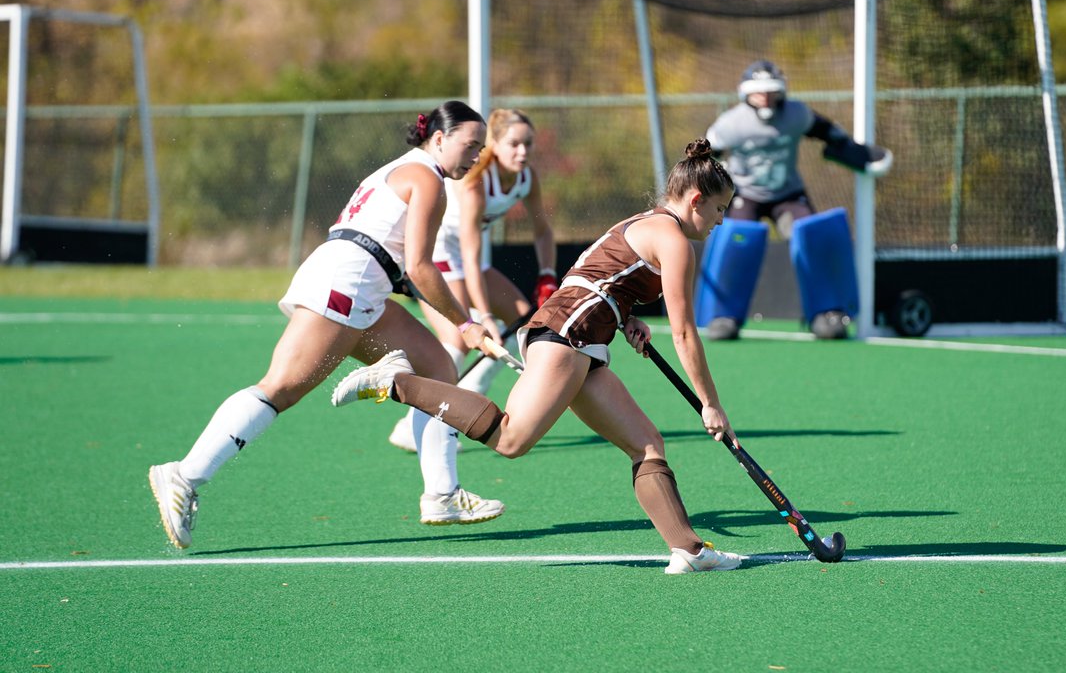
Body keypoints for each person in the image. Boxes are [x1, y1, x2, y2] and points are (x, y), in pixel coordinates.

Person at [332, 139, 746, 575]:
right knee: (510, 440)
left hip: (577, 334)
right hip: (569, 334)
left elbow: (593, 276)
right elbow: (683, 332)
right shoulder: (675, 241)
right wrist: (710, 404)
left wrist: (624, 318)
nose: (721, 220)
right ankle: (398, 381)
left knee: (646, 444)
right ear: (696, 200)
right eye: (719, 209)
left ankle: (689, 551)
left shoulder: (643, 223)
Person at [148, 100, 507, 550]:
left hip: (362, 285)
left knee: (438, 370)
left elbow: (402, 264)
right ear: (439, 139)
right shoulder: (428, 181)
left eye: (481, 148)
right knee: (281, 387)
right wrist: (468, 326)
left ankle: (442, 494)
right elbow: (419, 267)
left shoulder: (406, 169)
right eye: (470, 146)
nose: (477, 157)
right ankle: (184, 475)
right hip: (348, 284)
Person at [389, 108, 558, 452]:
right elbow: (469, 251)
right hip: (436, 252)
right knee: (459, 338)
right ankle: (414, 426)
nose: (522, 152)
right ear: (493, 144)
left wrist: (547, 275)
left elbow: (543, 232)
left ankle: (462, 407)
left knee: (523, 320)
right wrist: (483, 316)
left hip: (466, 257)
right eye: (514, 144)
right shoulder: (476, 180)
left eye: (528, 144)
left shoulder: (527, 178)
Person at [705, 59, 892, 340]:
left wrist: (853, 150)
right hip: (745, 195)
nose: (765, 98)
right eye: (759, 92)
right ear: (745, 94)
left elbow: (826, 130)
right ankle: (724, 315)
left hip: (787, 195)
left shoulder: (796, 114)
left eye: (771, 91)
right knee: (736, 243)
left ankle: (825, 313)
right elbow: (705, 157)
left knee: (810, 239)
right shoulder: (731, 124)